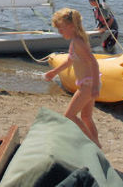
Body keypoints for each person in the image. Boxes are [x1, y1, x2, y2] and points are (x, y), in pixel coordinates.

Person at [45, 8, 102, 148]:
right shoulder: (75, 41)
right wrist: (54, 72)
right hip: (88, 83)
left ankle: (93, 144)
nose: (59, 31)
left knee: (69, 116)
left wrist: (94, 86)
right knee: (86, 117)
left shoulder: (78, 42)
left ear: (71, 26)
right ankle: (97, 145)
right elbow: (70, 61)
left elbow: (94, 62)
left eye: (61, 28)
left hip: (88, 84)